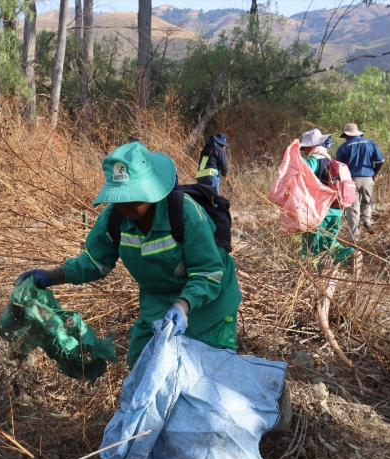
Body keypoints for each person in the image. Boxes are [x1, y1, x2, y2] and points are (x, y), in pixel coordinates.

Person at [15, 141, 242, 369]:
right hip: (158, 306)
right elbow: (95, 262)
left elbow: (208, 273)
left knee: (205, 375)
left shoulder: (185, 214)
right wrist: (54, 276)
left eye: (132, 196)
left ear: (152, 189)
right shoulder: (114, 219)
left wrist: (183, 305)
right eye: (119, 197)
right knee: (141, 369)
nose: (125, 205)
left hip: (210, 307)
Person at [298, 129, 355, 266]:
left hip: (318, 211)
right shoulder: (331, 160)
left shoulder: (313, 160)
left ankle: (311, 273)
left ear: (311, 146)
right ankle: (348, 255)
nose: (305, 151)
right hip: (335, 210)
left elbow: (302, 180)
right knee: (329, 241)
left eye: (305, 148)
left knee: (311, 244)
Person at [335, 123, 385, 237]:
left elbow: (339, 167)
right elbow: (380, 161)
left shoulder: (343, 147)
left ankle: (354, 235)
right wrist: (375, 173)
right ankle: (367, 220)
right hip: (368, 178)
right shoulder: (370, 143)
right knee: (367, 201)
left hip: (350, 181)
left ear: (346, 135)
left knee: (353, 207)